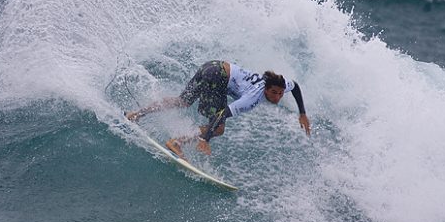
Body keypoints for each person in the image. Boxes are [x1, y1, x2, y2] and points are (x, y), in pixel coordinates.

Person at [126, 60, 311, 159]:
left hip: (213, 65)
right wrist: (205, 139)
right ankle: (176, 143)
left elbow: (294, 87)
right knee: (219, 128)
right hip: (218, 77)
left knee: (182, 101)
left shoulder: (281, 84)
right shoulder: (252, 98)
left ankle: (136, 114)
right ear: (266, 89)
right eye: (273, 93)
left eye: (280, 93)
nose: (277, 97)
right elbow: (221, 114)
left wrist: (302, 113)